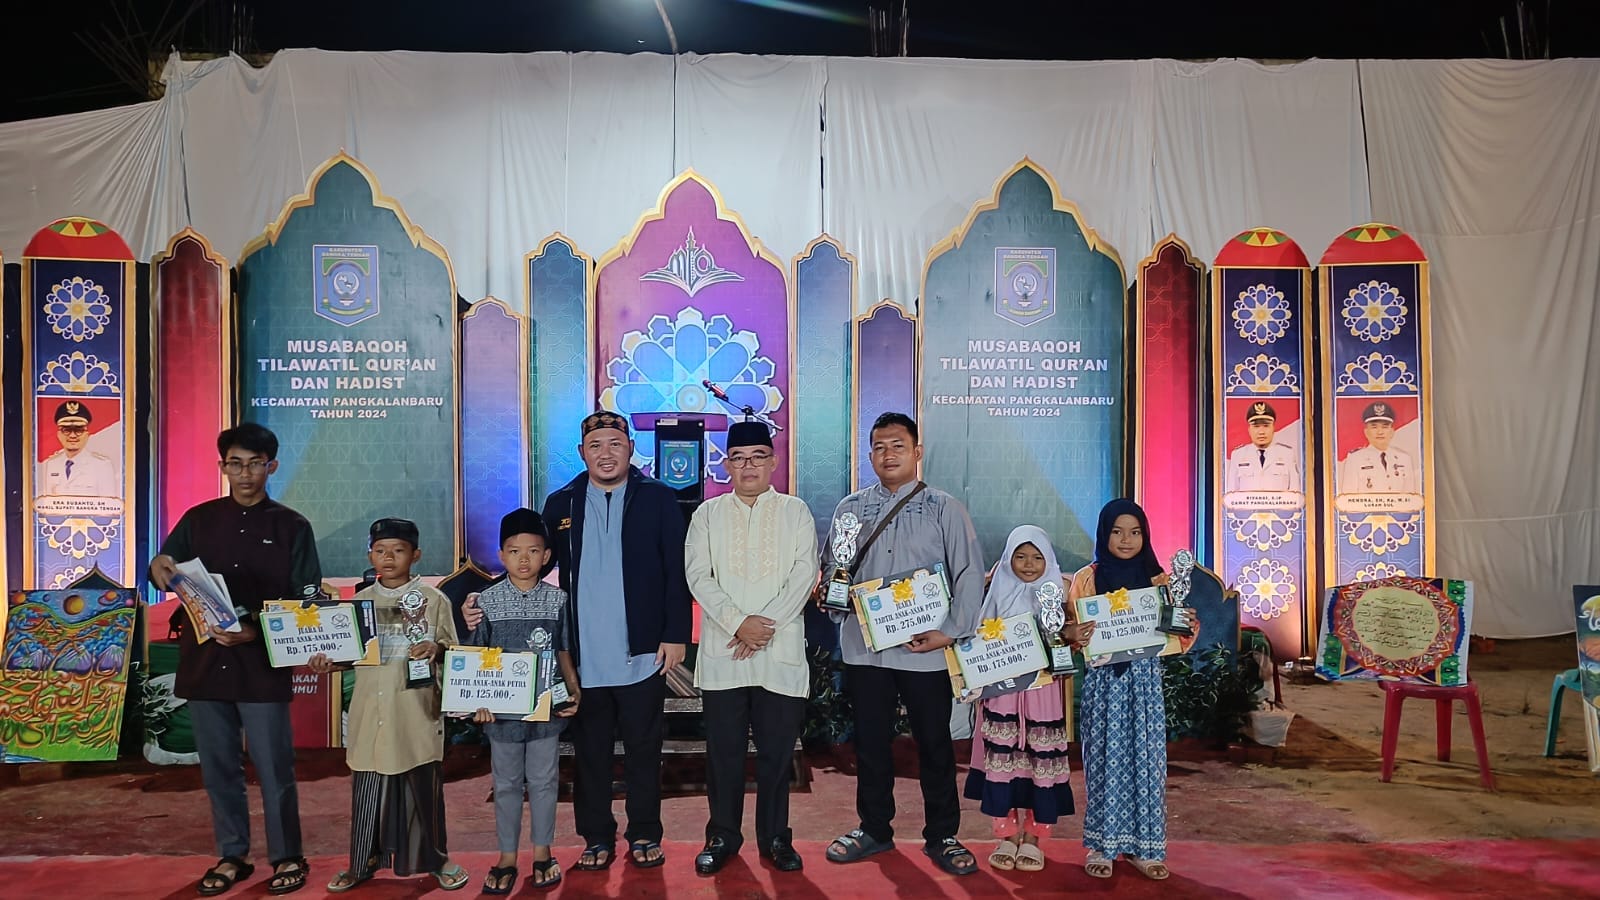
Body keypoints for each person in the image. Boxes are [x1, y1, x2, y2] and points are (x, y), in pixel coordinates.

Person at [467, 410, 690, 871]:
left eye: (615, 444)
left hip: (643, 652)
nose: (606, 453)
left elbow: (676, 570)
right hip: (581, 657)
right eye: (595, 446)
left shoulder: (659, 498)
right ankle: (596, 837)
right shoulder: (561, 502)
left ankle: (644, 832)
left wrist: (675, 635)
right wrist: (483, 601)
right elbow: (531, 565)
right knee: (591, 754)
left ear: (631, 449)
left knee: (644, 750)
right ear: (581, 453)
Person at [147, 423, 318, 896]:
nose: (245, 474)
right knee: (219, 769)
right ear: (222, 466)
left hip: (261, 664)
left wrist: (253, 632)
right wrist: (159, 567)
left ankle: (287, 856)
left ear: (272, 467)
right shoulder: (198, 520)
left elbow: (305, 603)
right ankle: (233, 855)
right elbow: (164, 568)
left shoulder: (292, 526)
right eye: (235, 464)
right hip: (205, 664)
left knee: (274, 768)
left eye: (255, 464)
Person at [818, 412, 986, 877]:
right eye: (878, 447)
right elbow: (832, 566)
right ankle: (874, 828)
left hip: (924, 651)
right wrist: (832, 592)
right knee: (871, 743)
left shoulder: (944, 508)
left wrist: (950, 631)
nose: (887, 454)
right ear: (869, 455)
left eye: (897, 445)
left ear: (917, 452)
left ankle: (943, 835)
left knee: (934, 744)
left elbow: (969, 572)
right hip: (865, 650)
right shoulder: (851, 510)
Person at [684, 419, 817, 875]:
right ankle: (722, 835)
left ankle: (776, 838)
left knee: (778, 755)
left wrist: (763, 627)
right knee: (723, 754)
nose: (748, 466)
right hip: (726, 653)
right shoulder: (707, 514)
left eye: (758, 457)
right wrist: (739, 624)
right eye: (738, 458)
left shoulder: (795, 511)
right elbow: (698, 575)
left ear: (773, 462)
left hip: (778, 654)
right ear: (726, 465)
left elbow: (804, 573)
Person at [308, 518, 467, 893]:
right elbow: (348, 655)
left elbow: (454, 650)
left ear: (416, 555)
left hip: (415, 712)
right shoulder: (358, 603)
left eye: (398, 550)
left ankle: (437, 860)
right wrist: (328, 662)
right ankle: (360, 864)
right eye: (380, 551)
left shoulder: (434, 600)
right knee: (367, 791)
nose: (389, 557)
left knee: (423, 791)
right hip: (370, 712)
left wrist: (436, 648)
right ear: (370, 556)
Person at [964, 525, 1090, 873]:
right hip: (1002, 695)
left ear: (1048, 559)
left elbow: (1067, 644)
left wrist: (1069, 634)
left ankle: (1034, 838)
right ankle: (1005, 836)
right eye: (1020, 556)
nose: (1029, 564)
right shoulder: (995, 593)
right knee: (1002, 761)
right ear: (1007, 559)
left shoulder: (1058, 595)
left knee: (1040, 763)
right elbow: (978, 643)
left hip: (1042, 695)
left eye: (1037, 557)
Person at [468, 508, 581, 894]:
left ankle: (542, 853)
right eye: (514, 551)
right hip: (500, 715)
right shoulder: (486, 601)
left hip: (545, 709)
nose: (523, 559)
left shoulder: (558, 600)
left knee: (545, 781)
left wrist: (574, 687)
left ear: (546, 555)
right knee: (506, 784)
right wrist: (478, 702)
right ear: (501, 555)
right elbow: (476, 657)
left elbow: (563, 649)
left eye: (533, 551)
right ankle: (506, 857)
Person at [1067, 498, 1173, 881]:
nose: (1126, 540)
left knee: (1146, 761)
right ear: (1103, 534)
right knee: (1104, 760)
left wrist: (1181, 621)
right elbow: (1070, 632)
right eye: (1117, 531)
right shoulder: (1087, 579)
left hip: (1145, 685)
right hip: (1104, 684)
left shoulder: (1158, 579)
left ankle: (1145, 847)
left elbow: (1178, 634)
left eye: (1135, 532)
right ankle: (1102, 845)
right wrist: (1074, 633)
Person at [38, 400, 118, 496]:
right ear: (59, 434)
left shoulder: (102, 465)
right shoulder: (52, 464)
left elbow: (108, 503)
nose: (72, 435)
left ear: (87, 434)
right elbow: (48, 501)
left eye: (78, 430)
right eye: (66, 430)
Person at [1338, 401, 1419, 493]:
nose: (1380, 432)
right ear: (1366, 432)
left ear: (1392, 431)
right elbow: (1349, 497)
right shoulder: (1355, 460)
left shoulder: (1404, 459)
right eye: (1374, 427)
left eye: (1385, 427)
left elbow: (1410, 496)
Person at [1224, 401, 1301, 493]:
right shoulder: (1238, 455)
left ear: (1273, 428)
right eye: (1256, 426)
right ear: (1249, 430)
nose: (1261, 432)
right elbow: (1232, 494)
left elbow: (1295, 492)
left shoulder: (1287, 454)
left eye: (1266, 426)